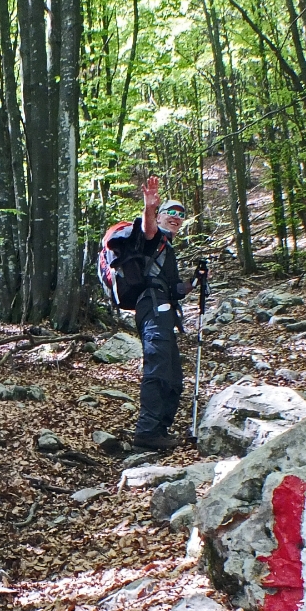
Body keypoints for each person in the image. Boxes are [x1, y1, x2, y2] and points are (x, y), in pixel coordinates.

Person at [131, 176, 192, 451]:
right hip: (153, 308)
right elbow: (147, 230)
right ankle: (147, 432)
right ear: (161, 216)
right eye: (171, 212)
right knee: (157, 369)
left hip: (164, 309)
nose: (177, 217)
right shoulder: (155, 238)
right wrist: (150, 207)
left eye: (181, 214)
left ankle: (160, 428)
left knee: (173, 375)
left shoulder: (168, 249)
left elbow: (174, 289)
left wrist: (195, 282)